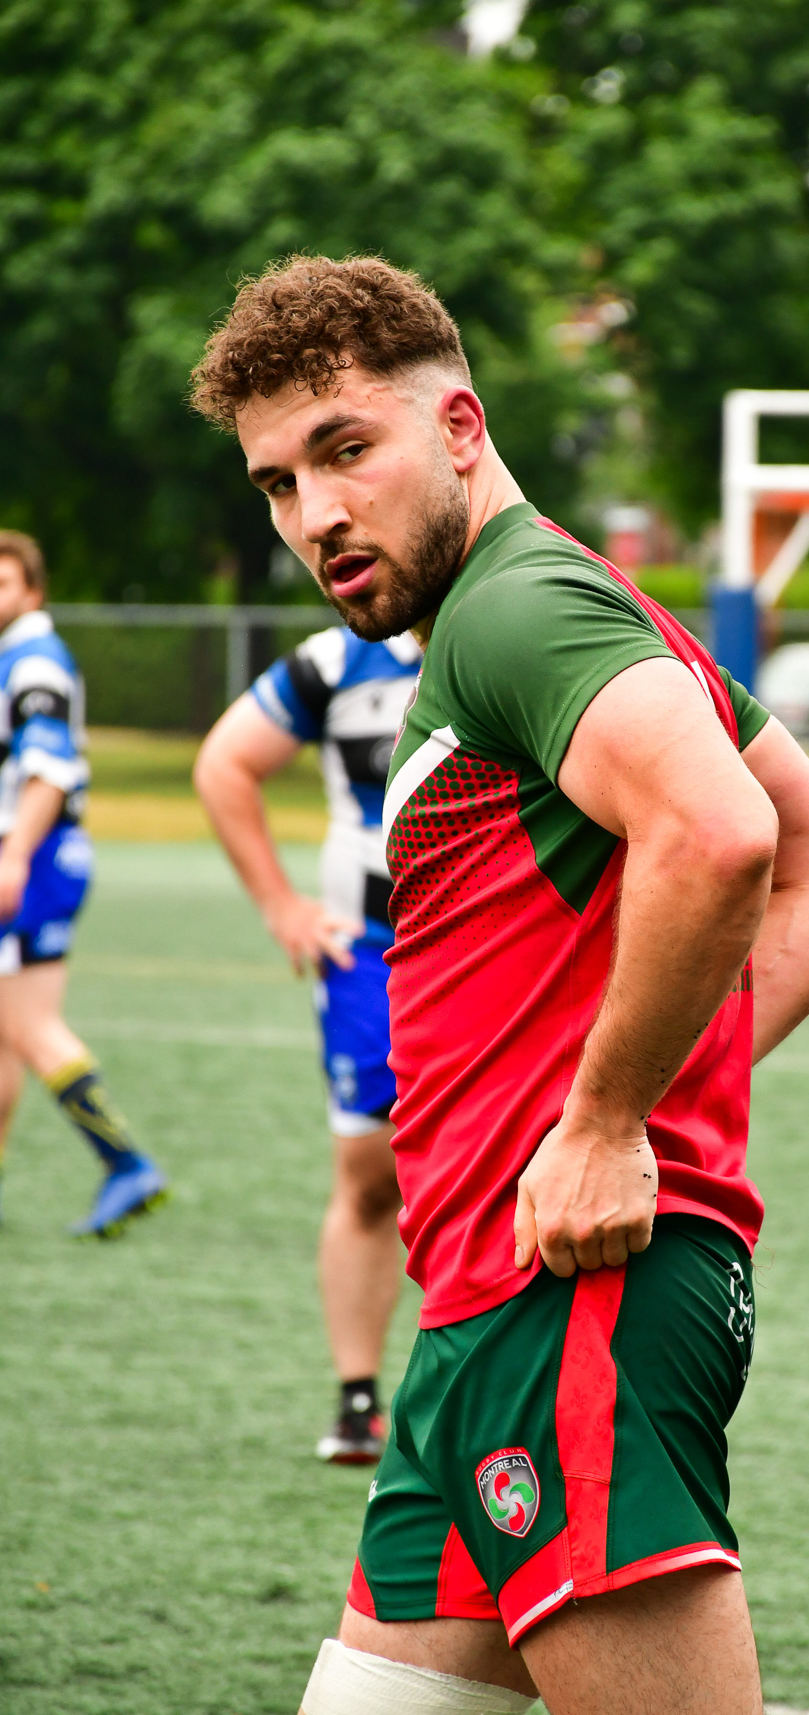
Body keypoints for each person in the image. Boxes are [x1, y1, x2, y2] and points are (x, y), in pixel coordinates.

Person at [190, 253, 809, 1715]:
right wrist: (641, 1087)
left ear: (458, 429)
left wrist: (610, 1119)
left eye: (344, 449)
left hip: (568, 1304)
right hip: (479, 1313)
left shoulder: (524, 611)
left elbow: (727, 838)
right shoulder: (554, 606)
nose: (314, 514)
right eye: (275, 483)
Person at [194, 624, 420, 1463]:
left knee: (511, 1162)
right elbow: (224, 763)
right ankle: (359, 1400)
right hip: (367, 954)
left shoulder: (511, 627)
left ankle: (507, 1393)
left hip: (496, 950)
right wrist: (281, 905)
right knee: (370, 1180)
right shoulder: (335, 659)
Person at [0, 530, 166, 1236]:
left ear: (32, 593)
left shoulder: (33, 661)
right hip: (44, 858)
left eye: (3, 583)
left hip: (30, 858)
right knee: (10, 1033)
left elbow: (49, 769)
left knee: (29, 1028)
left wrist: (13, 856)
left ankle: (125, 1162)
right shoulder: (20, 657)